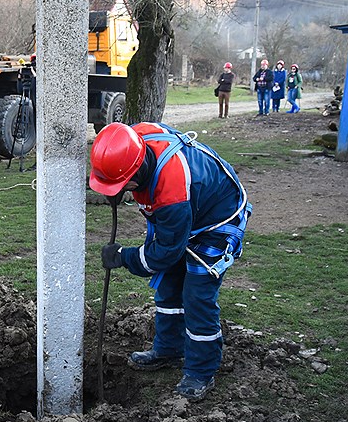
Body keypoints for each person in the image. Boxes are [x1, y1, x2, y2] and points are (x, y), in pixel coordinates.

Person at [89, 122, 251, 401]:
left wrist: (122, 257)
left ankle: (201, 371)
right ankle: (169, 349)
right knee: (170, 286)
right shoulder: (133, 141)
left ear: (135, 173)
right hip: (191, 211)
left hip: (218, 220)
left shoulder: (171, 191)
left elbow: (163, 253)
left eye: (119, 186)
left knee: (197, 295)